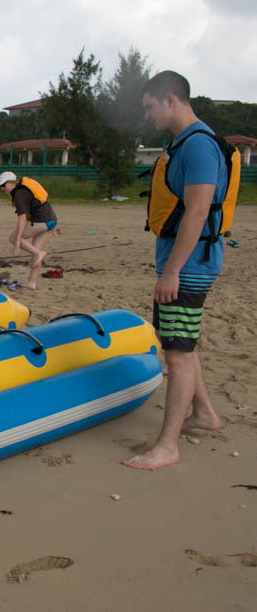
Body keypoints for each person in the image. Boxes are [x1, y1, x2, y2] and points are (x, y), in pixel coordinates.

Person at [122, 71, 236, 470]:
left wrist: (171, 273)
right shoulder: (187, 143)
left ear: (171, 99)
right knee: (181, 343)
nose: (148, 116)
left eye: (150, 107)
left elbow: (199, 210)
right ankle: (204, 414)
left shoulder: (198, 147)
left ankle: (167, 446)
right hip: (188, 264)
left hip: (188, 268)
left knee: (177, 355)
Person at [0, 171, 58, 289]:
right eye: (0, 186)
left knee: (13, 238)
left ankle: (39, 254)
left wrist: (18, 241)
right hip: (50, 219)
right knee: (35, 251)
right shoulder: (21, 190)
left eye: (4, 185)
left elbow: (22, 218)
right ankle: (32, 283)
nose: (2, 188)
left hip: (42, 220)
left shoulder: (19, 194)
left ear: (12, 183)